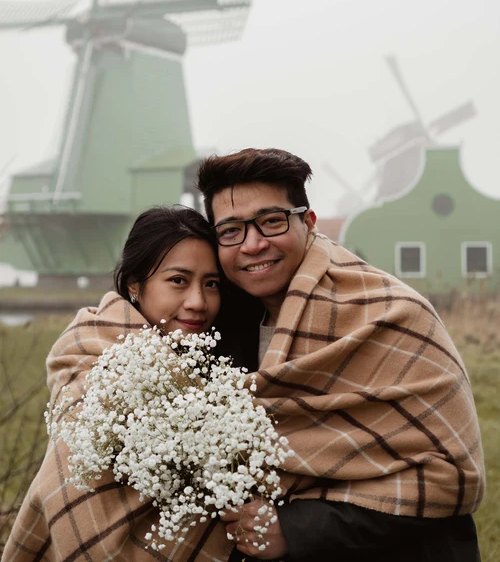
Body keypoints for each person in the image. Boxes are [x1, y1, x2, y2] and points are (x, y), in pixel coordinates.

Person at [196, 148, 486, 562]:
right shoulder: (217, 325)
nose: (253, 244)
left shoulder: (393, 315)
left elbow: (450, 478)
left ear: (308, 222)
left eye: (272, 221)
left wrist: (294, 530)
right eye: (230, 231)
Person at [2, 206, 238, 562]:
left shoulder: (227, 370)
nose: (197, 302)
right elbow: (69, 494)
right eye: (178, 280)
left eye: (211, 284)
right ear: (134, 285)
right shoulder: (91, 357)